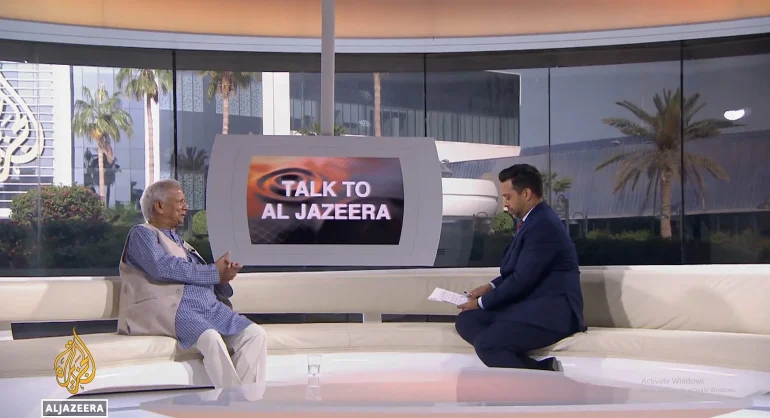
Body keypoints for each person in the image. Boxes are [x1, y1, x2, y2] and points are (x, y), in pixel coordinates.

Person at [117, 179, 267, 389]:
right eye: (180, 201)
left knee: (254, 335)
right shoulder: (142, 234)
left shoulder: (182, 244)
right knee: (211, 338)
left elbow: (201, 278)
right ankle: (236, 402)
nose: (185, 207)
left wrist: (222, 278)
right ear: (159, 206)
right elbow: (162, 267)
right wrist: (213, 272)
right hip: (175, 310)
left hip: (208, 308)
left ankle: (240, 400)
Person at [455, 164, 586, 372]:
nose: (505, 204)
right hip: (528, 305)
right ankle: (538, 369)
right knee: (466, 321)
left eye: (508, 197)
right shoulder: (532, 221)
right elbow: (520, 270)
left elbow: (522, 279)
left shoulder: (543, 225)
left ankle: (541, 381)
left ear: (526, 194)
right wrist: (489, 287)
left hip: (553, 313)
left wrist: (480, 303)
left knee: (488, 344)